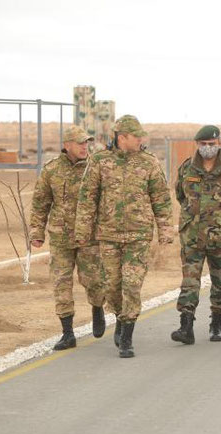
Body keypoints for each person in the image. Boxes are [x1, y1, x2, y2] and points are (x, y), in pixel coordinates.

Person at [75, 115, 174, 358]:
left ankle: (127, 335)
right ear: (122, 138)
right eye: (136, 136)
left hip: (138, 235)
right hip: (107, 235)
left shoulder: (149, 162)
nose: (141, 139)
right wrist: (82, 231)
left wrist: (165, 229)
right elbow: (87, 198)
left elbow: (160, 198)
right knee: (113, 286)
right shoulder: (99, 161)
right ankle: (120, 317)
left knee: (132, 284)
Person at [29, 125, 107, 351]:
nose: (85, 147)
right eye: (80, 143)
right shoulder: (52, 169)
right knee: (61, 284)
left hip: (89, 237)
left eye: (87, 143)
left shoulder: (96, 167)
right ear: (67, 145)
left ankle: (97, 308)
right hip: (60, 237)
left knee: (93, 280)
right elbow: (40, 202)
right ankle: (67, 333)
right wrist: (37, 232)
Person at [171, 125, 221, 344]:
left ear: (219, 144)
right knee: (189, 281)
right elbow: (180, 196)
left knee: (220, 281)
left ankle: (217, 324)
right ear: (197, 144)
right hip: (193, 236)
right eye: (203, 144)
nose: (207, 148)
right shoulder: (188, 169)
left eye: (211, 144)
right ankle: (186, 326)